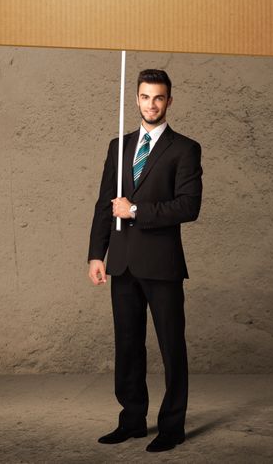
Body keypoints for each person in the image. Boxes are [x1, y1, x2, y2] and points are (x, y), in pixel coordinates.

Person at [87, 68, 203, 453]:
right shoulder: (118, 147)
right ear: (135, 99)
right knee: (127, 345)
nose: (151, 104)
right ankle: (133, 420)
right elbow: (106, 204)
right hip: (121, 263)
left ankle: (172, 426)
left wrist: (135, 209)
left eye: (158, 97)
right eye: (144, 96)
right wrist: (95, 255)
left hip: (162, 265)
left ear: (169, 101)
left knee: (171, 346)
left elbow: (189, 206)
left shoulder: (185, 149)